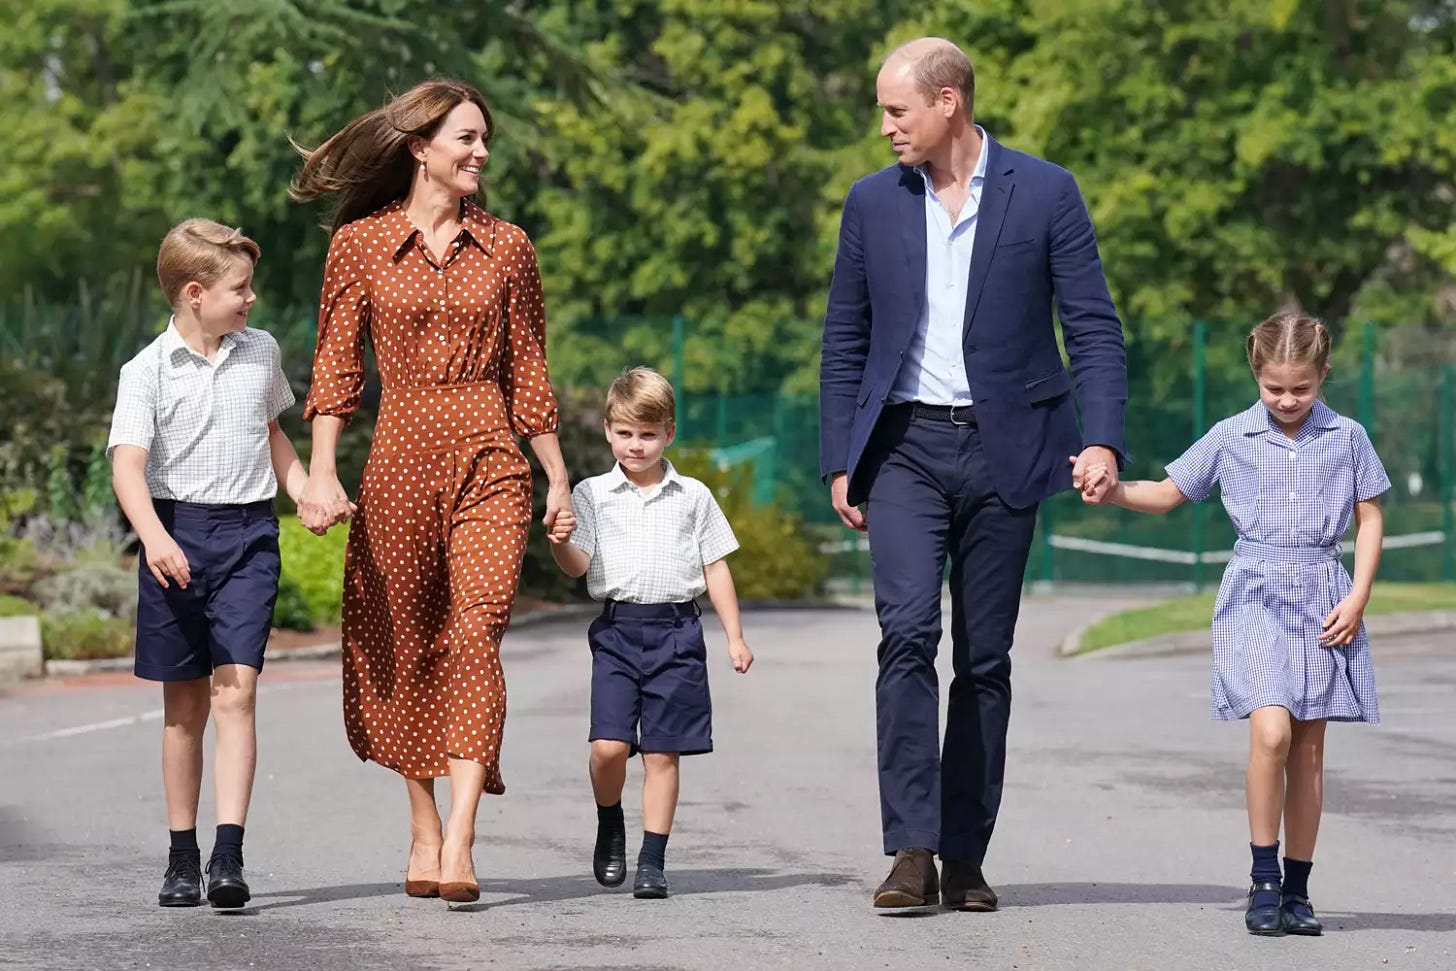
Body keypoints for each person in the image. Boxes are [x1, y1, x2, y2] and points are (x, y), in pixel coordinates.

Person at [818, 36, 1129, 910]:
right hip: (906, 449)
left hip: (1009, 449)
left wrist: (1101, 438)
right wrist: (842, 455)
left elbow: (1094, 327)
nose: (885, 127)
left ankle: (966, 854)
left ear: (947, 102)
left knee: (984, 658)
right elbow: (844, 339)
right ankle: (912, 850)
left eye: (896, 109)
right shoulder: (872, 204)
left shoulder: (1047, 191)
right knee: (907, 635)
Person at [291, 79, 572, 904]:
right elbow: (336, 372)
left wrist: (556, 474)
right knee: (405, 639)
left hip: (491, 454)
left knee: (476, 632)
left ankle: (460, 839)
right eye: (466, 139)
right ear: (420, 147)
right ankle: (421, 825)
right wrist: (320, 470)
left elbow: (529, 369)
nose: (481, 153)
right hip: (400, 457)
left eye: (484, 140)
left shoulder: (510, 245)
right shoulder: (360, 247)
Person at [1083, 312, 1388, 937]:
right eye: (1274, 387)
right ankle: (1264, 880)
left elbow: (1370, 517)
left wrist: (1357, 597)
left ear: (1323, 375)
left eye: (1300, 388)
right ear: (1257, 375)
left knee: (1307, 748)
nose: (1286, 400)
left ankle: (1299, 891)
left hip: (1324, 595)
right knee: (1271, 732)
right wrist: (1111, 489)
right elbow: (1169, 493)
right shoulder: (1232, 435)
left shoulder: (1348, 437)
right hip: (1253, 592)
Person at [109, 218, 307, 909]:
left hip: (249, 534)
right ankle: (180, 854)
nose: (250, 300)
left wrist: (305, 489)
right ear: (196, 293)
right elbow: (128, 469)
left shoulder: (261, 351)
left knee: (237, 689)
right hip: (174, 534)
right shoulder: (146, 371)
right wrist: (154, 538)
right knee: (185, 705)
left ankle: (228, 853)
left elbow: (274, 433)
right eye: (239, 288)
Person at [550, 366, 753, 899]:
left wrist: (733, 635)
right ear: (607, 430)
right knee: (608, 748)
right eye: (624, 433)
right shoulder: (591, 494)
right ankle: (610, 819)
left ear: (669, 433)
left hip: (677, 632)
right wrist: (558, 541)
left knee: (663, 752)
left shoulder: (693, 496)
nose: (635, 445)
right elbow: (577, 566)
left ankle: (653, 861)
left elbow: (716, 567)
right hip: (618, 633)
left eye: (647, 434)